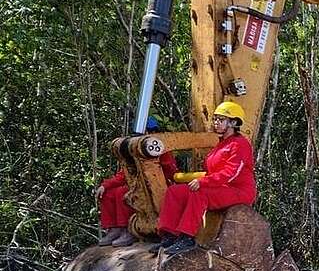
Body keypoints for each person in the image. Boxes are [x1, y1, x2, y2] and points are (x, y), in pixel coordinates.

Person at [154, 101, 256, 256]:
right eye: (215, 119)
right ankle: (170, 236)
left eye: (221, 119)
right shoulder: (221, 144)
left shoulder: (240, 144)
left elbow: (231, 173)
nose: (216, 123)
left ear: (234, 123)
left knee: (199, 193)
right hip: (220, 187)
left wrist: (203, 182)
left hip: (238, 191)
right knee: (175, 192)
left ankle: (187, 237)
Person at [97, 116, 178, 247]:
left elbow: (170, 171)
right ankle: (115, 228)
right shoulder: (136, 148)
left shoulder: (158, 147)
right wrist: (105, 185)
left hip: (156, 186)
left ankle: (127, 229)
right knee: (108, 193)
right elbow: (124, 174)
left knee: (123, 193)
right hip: (138, 184)